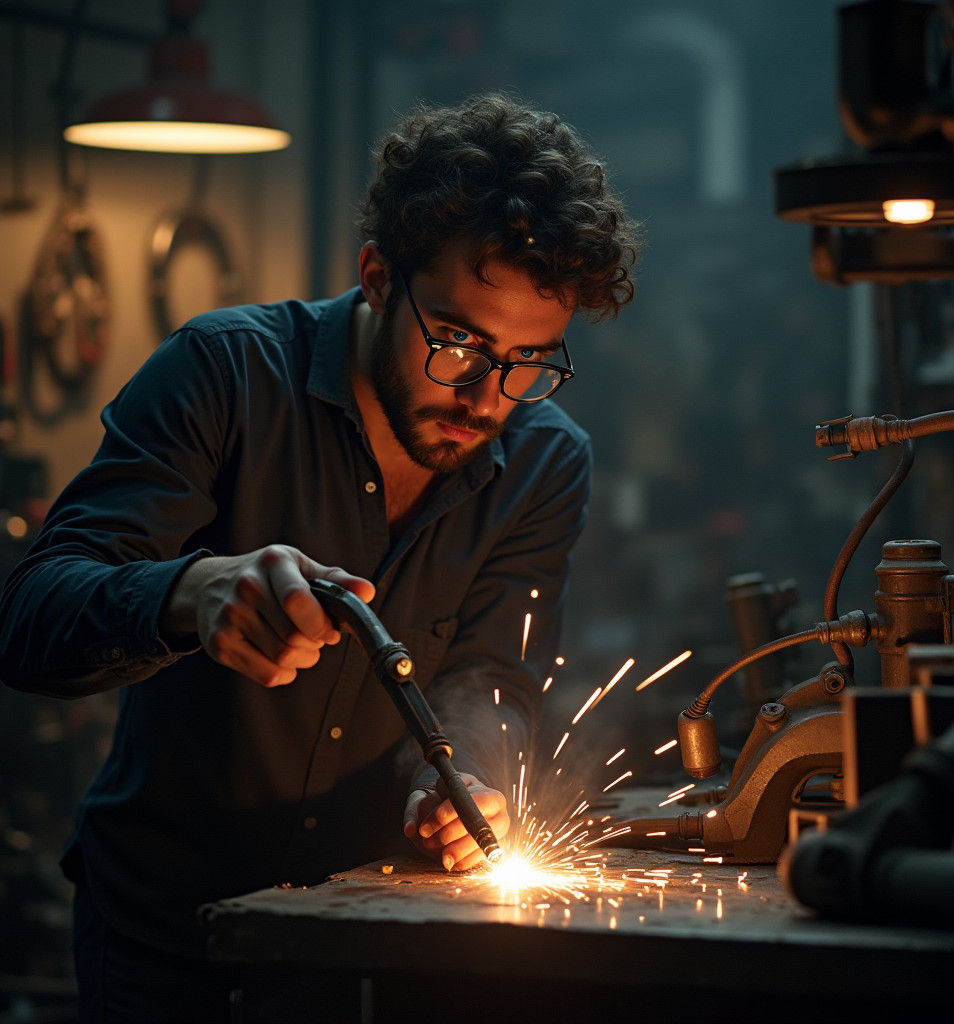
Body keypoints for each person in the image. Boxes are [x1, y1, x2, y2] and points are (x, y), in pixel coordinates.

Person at [0, 92, 637, 1022]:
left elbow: (493, 673)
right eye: (457, 340)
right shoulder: (223, 373)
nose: (486, 395)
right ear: (379, 277)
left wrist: (460, 780)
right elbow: (30, 619)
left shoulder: (545, 461)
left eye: (529, 360)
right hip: (167, 935)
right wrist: (190, 592)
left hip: (365, 938)